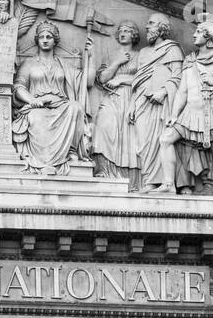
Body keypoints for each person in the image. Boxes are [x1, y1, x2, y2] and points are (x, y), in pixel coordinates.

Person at [159, 18, 213, 211]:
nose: (193, 34)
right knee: (166, 139)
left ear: (208, 38)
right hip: (189, 112)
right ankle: (168, 184)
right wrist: (174, 114)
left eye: (198, 32)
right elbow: (182, 90)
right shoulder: (189, 60)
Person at [11, 19, 92, 175]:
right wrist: (33, 101)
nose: (45, 40)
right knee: (36, 118)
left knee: (76, 107)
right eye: (42, 37)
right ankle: (45, 163)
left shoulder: (64, 65)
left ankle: (71, 151)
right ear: (37, 40)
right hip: (37, 107)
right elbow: (19, 87)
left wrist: (91, 56)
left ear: (55, 40)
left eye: (49, 37)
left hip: (61, 107)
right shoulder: (28, 64)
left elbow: (87, 82)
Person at [128, 12, 183, 189]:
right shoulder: (143, 53)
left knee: (159, 140)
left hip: (160, 103)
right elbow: (137, 81)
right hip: (141, 101)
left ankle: (161, 182)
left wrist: (163, 92)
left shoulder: (172, 49)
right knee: (143, 142)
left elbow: (178, 77)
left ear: (161, 28)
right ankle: (149, 180)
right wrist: (131, 104)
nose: (146, 26)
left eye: (151, 23)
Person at [91, 20, 140, 185]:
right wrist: (117, 62)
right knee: (104, 127)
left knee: (130, 138)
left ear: (134, 35)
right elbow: (102, 79)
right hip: (111, 98)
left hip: (132, 98)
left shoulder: (141, 55)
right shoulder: (111, 54)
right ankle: (104, 170)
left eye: (127, 30)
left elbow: (145, 80)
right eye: (120, 30)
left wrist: (122, 79)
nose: (122, 33)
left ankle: (129, 179)